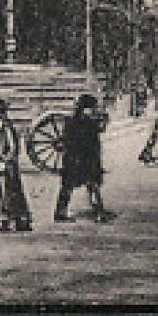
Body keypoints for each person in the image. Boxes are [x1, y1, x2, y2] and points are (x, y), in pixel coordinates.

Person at [54, 94, 112, 222]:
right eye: (92, 108)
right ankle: (98, 213)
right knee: (92, 186)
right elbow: (98, 131)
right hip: (86, 159)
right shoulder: (89, 123)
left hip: (72, 159)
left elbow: (66, 140)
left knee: (68, 187)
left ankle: (60, 212)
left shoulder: (71, 121)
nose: (94, 110)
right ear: (86, 109)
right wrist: (104, 120)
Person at [0, 98, 33, 232]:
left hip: (3, 165)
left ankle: (13, 220)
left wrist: (5, 161)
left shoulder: (6, 127)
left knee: (7, 192)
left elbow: (13, 148)